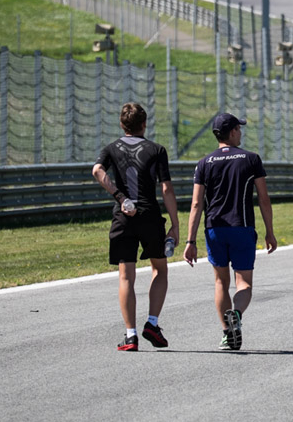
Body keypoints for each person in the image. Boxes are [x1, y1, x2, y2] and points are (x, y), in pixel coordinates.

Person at [184, 113, 278, 351]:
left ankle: (227, 333)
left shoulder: (204, 163)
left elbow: (196, 204)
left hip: (214, 229)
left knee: (220, 282)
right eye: (240, 128)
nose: (242, 132)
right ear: (233, 131)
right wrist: (270, 231)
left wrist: (190, 240)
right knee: (244, 284)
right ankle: (236, 313)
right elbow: (264, 200)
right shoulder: (251, 159)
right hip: (242, 227)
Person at [91, 102, 179, 351]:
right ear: (144, 124)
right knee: (159, 269)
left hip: (123, 216)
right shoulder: (157, 149)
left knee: (126, 276)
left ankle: (130, 336)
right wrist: (175, 224)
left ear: (121, 124)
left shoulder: (111, 148)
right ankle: (152, 323)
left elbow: (97, 170)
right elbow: (166, 189)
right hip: (150, 215)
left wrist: (120, 197)